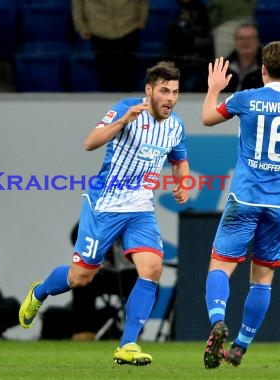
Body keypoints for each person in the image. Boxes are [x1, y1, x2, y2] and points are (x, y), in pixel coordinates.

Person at [19, 61, 190, 365]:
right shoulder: (126, 109)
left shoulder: (175, 126)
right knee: (81, 277)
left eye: (175, 92)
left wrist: (182, 183)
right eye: (164, 91)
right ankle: (41, 291)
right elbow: (90, 143)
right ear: (149, 90)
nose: (170, 98)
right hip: (104, 205)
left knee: (151, 268)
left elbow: (179, 160)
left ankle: (128, 345)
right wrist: (123, 120)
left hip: (140, 209)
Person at [200, 43, 280, 369]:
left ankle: (217, 320)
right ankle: (241, 344)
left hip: (244, 199)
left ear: (263, 69)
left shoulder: (247, 98)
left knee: (220, 265)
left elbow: (207, 119)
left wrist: (214, 89)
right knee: (262, 278)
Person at [69, 222, 137, 341]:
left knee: (148, 286)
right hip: (102, 272)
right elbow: (77, 235)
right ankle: (84, 330)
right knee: (80, 280)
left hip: (129, 273)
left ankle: (135, 330)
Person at [71, 0, 149, 92]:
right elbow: (78, 3)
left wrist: (142, 19)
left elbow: (143, 2)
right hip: (98, 28)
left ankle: (129, 103)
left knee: (128, 77)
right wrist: (81, 26)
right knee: (104, 77)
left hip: (128, 26)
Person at [162, 0, 214, 92]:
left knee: (189, 85)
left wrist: (188, 35)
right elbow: (170, 44)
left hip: (197, 64)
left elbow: (206, 42)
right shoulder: (176, 11)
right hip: (176, 63)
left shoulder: (202, 11)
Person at [223, 22, 263, 92]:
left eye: (250, 38)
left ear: (257, 41)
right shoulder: (222, 68)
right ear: (235, 41)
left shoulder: (268, 69)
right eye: (241, 38)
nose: (245, 41)